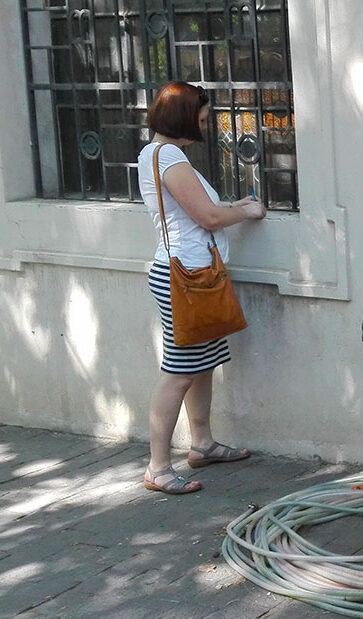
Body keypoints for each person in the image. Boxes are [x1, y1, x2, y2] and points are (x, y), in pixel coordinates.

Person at [138, 81, 266, 495]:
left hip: (194, 275)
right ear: (184, 117)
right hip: (185, 278)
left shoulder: (158, 154)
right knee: (178, 373)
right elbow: (207, 217)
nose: (206, 126)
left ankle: (202, 443)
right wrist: (247, 211)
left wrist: (233, 209)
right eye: (203, 118)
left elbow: (200, 214)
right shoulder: (168, 156)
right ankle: (158, 467)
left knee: (201, 365)